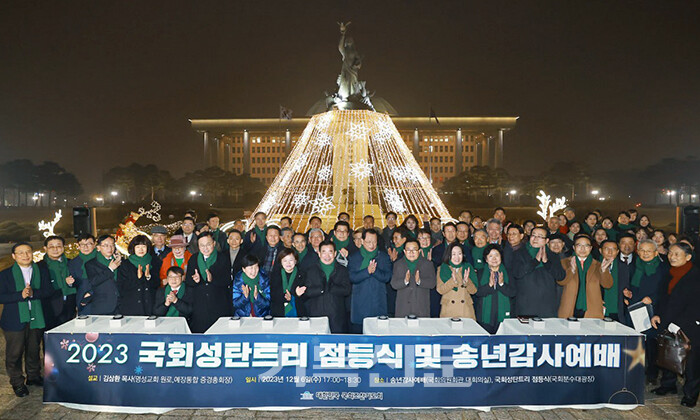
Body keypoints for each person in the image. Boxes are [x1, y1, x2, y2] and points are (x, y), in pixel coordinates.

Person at [651, 242, 700, 407]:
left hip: (690, 325)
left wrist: (680, 324)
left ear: (688, 257)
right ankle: (668, 385)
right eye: (670, 253)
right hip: (667, 320)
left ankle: (691, 395)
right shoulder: (668, 273)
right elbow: (661, 296)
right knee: (668, 353)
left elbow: (696, 305)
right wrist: (657, 314)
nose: (672, 257)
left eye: (677, 254)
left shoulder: (695, 276)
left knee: (691, 362)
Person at [0, 242, 52, 397]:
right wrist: (20, 295)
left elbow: (48, 291)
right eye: (20, 253)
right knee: (14, 353)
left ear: (32, 253)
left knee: (33, 349)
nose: (25, 255)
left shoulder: (40, 271)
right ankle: (17, 382)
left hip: (36, 317)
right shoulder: (5, 274)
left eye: (28, 252)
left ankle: (33, 376)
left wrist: (33, 293)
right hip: (14, 320)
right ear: (14, 256)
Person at [623, 239, 667, 384]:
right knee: (636, 341)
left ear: (655, 253)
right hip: (635, 309)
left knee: (651, 344)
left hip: (653, 310)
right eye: (642, 250)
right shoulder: (634, 266)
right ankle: (635, 372)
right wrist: (627, 293)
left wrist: (653, 298)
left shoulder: (663, 268)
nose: (645, 253)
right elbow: (629, 284)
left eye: (649, 251)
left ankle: (652, 373)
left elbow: (665, 290)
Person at [511, 226, 566, 318]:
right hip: (525, 303)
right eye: (533, 235)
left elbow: (560, 276)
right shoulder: (519, 253)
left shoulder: (552, 255)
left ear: (547, 240)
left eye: (540, 236)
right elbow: (517, 273)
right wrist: (535, 261)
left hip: (547, 304)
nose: (535, 239)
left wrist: (546, 263)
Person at [185, 232, 232, 333]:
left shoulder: (223, 258)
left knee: (219, 333)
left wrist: (212, 279)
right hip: (199, 305)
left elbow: (227, 280)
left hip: (218, 304)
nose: (205, 248)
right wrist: (196, 281)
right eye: (202, 245)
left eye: (208, 244)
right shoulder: (193, 259)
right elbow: (188, 281)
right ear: (198, 246)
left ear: (214, 243)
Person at [557, 235, 614, 319]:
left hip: (592, 309)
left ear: (591, 248)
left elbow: (608, 285)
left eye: (586, 246)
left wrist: (603, 271)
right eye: (579, 245)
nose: (583, 249)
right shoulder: (564, 262)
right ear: (574, 247)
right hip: (569, 307)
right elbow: (561, 281)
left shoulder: (598, 265)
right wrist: (571, 270)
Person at [300, 241, 351, 333]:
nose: (327, 256)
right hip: (316, 313)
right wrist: (320, 290)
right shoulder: (311, 270)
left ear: (335, 253)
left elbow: (347, 290)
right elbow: (306, 292)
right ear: (319, 253)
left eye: (330, 252)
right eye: (324, 252)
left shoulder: (342, 270)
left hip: (337, 315)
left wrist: (332, 288)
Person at [348, 229, 392, 332]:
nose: (372, 245)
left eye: (374, 242)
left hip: (378, 302)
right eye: (368, 242)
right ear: (362, 241)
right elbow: (352, 277)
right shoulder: (354, 257)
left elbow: (387, 277)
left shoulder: (383, 257)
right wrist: (367, 271)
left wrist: (375, 271)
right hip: (360, 302)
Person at [475, 244, 516, 334]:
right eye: (490, 256)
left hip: (504, 319)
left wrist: (501, 284)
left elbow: (513, 293)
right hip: (484, 317)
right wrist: (489, 285)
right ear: (486, 259)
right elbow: (477, 292)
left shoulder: (508, 272)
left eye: (497, 255)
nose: (494, 258)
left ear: (501, 257)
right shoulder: (480, 273)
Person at [391, 239, 436, 317]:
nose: (411, 252)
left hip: (421, 308)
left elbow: (432, 284)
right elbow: (394, 284)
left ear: (419, 251)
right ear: (404, 251)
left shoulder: (427, 264)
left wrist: (419, 281)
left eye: (414, 250)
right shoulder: (398, 264)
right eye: (408, 250)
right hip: (403, 309)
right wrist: (405, 281)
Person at [117, 235, 161, 316]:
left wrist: (148, 277)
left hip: (150, 305)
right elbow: (121, 287)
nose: (141, 249)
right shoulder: (125, 264)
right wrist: (138, 278)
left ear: (148, 248)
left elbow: (157, 284)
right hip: (131, 306)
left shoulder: (155, 261)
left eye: (143, 246)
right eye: (138, 247)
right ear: (133, 248)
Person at [39, 235, 77, 329]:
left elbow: (79, 282)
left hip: (69, 306)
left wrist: (71, 283)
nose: (55, 249)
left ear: (63, 247)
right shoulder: (39, 266)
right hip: (49, 307)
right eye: (51, 246)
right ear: (45, 248)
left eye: (59, 246)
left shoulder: (71, 263)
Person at [81, 235, 121, 315]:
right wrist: (110, 269)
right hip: (103, 306)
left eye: (112, 245)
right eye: (105, 245)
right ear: (98, 248)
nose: (109, 248)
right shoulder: (91, 264)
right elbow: (94, 281)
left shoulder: (119, 261)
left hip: (121, 305)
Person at [436, 243, 478, 319]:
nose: (457, 257)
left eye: (459, 254)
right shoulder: (442, 268)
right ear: (448, 255)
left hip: (466, 310)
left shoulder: (468, 268)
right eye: (453, 254)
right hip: (449, 309)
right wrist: (452, 281)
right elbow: (440, 290)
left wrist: (466, 282)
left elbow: (474, 291)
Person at [269, 248, 306, 317]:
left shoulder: (302, 275)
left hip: (298, 311)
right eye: (285, 260)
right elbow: (272, 295)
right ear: (281, 262)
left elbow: (307, 297)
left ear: (296, 261)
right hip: (279, 312)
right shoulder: (275, 275)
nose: (288, 263)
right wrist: (285, 297)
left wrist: (295, 296)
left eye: (291, 260)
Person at [599, 240, 627, 322]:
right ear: (600, 250)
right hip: (598, 307)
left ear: (618, 251)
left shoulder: (624, 266)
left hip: (617, 309)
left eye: (613, 249)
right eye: (606, 248)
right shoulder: (594, 265)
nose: (610, 252)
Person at [68, 233, 97, 313]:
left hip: (101, 298)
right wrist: (69, 282)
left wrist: (91, 293)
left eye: (89, 244)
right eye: (82, 244)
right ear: (78, 246)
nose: (85, 247)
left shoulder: (101, 258)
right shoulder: (73, 262)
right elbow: (75, 283)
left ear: (94, 244)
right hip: (83, 300)